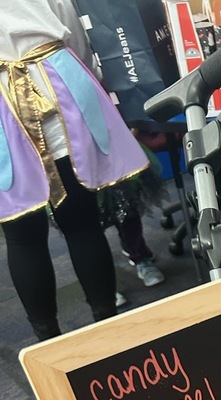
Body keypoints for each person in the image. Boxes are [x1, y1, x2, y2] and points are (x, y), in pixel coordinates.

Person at [0, 0, 148, 339]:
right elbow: (73, 29)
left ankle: (48, 345)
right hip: (58, 80)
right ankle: (111, 334)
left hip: (5, 106)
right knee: (82, 223)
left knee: (22, 236)